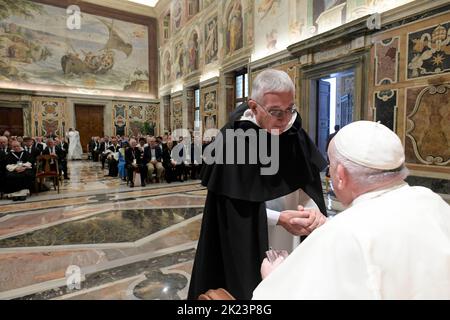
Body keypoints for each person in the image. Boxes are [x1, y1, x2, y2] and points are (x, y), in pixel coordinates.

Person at [253, 121, 450, 299]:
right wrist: (328, 225)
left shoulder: (342, 234)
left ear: (340, 175)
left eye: (330, 165)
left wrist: (275, 278)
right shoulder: (431, 200)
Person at [188, 69, 327, 300]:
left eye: (290, 109)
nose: (284, 119)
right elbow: (231, 208)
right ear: (253, 107)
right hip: (248, 238)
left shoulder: (294, 132)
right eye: (275, 112)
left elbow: (306, 184)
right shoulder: (232, 140)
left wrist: (312, 213)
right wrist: (279, 219)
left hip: (293, 235)